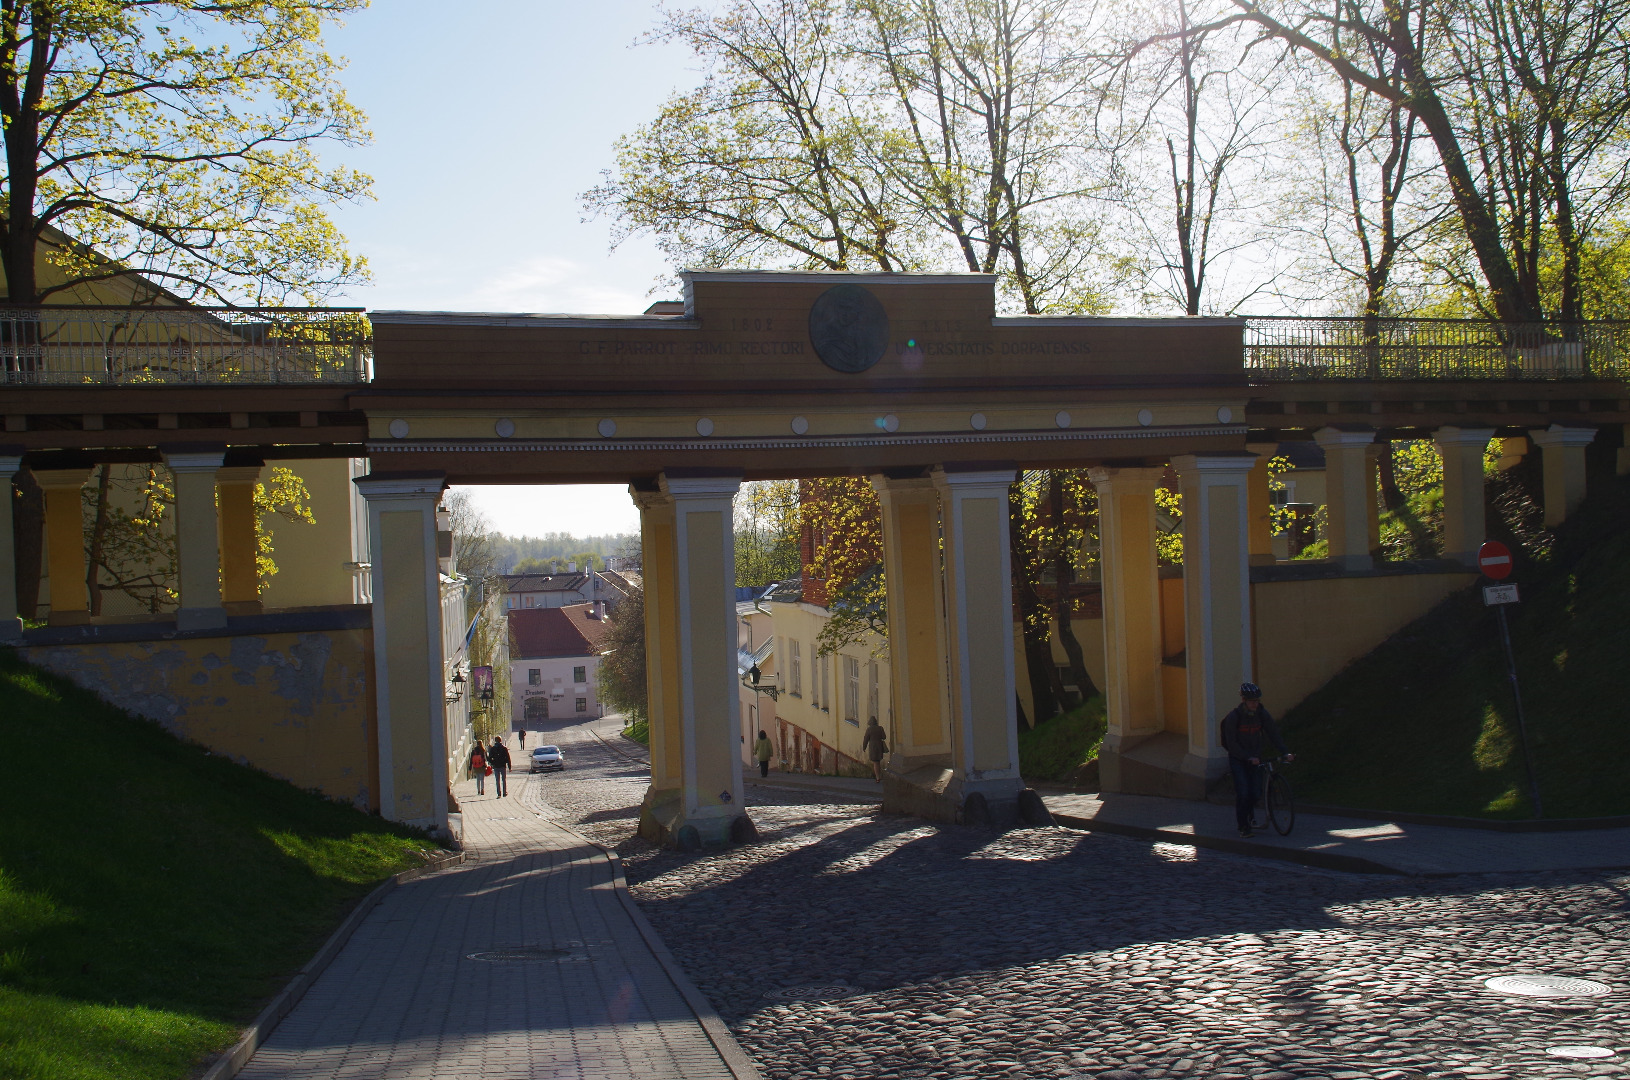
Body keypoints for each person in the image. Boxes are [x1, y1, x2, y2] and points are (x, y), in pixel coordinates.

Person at [1220, 682, 1294, 837]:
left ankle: (1250, 814)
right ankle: (1243, 826)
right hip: (1238, 759)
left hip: (1255, 758)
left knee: (1255, 792)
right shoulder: (1234, 717)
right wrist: (1247, 757)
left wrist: (1285, 752)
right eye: (1252, 701)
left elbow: (1273, 733)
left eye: (1257, 700)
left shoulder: (1261, 714)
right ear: (1244, 701)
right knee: (1243, 792)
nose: (1255, 703)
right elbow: (1231, 743)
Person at [862, 717, 888, 782]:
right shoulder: (880, 728)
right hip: (879, 746)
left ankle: (877, 777)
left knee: (875, 763)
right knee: (878, 762)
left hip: (873, 747)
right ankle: (879, 776)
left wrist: (864, 747)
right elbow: (884, 737)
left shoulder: (869, 729)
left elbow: (866, 739)